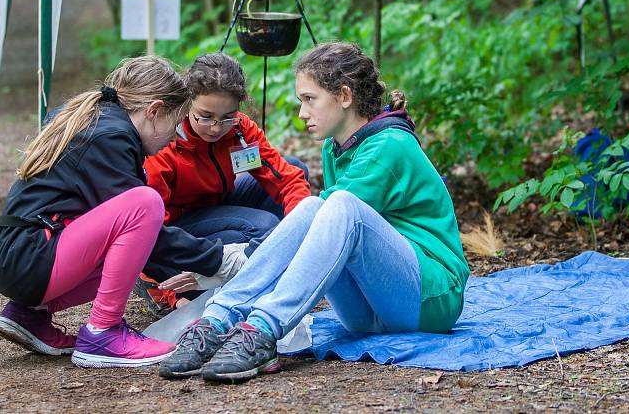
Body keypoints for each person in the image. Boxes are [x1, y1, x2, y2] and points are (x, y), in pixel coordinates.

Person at [158, 42, 470, 382]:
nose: (302, 112)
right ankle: (216, 320)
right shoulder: (333, 147)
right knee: (314, 204)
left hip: (430, 299)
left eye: (309, 99)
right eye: (300, 101)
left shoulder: (389, 146)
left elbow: (328, 225)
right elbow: (319, 232)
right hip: (368, 310)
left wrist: (221, 265)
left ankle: (262, 329)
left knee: (335, 205)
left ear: (345, 96)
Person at [0, 56, 225, 369]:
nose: (175, 136)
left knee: (132, 230)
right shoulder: (109, 137)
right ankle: (104, 331)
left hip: (20, 255)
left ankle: (29, 315)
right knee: (146, 203)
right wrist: (220, 260)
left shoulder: (98, 121)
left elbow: (133, 244)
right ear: (154, 111)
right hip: (29, 257)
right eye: (176, 122)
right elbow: (148, 232)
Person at [138, 52, 311, 311]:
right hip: (176, 225)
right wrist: (168, 296)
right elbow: (146, 232)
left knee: (296, 170)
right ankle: (245, 280)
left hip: (218, 204)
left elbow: (286, 180)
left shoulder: (239, 131)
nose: (216, 128)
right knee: (262, 227)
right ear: (188, 103)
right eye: (205, 116)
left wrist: (300, 231)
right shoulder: (165, 143)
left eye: (227, 117)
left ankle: (269, 274)